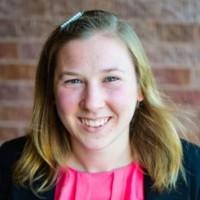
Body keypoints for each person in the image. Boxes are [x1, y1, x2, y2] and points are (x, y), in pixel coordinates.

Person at [0, 10, 200, 200]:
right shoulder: (7, 165)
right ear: (51, 90)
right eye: (74, 81)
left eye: (111, 78)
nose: (92, 103)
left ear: (140, 88)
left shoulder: (194, 170)